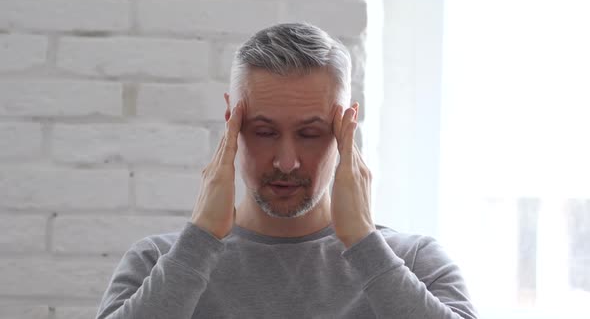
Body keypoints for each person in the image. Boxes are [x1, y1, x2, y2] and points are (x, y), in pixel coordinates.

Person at [95, 23, 477, 319]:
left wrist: (363, 243)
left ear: (346, 127)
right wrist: (200, 240)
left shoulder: (413, 262)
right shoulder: (158, 263)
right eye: (264, 132)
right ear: (232, 121)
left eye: (310, 134)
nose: (286, 161)